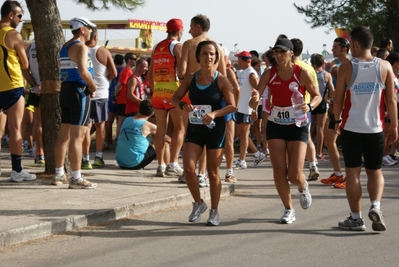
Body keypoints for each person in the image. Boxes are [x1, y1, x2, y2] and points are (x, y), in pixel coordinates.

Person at [334, 26, 397, 231]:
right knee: (375, 171)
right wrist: (394, 125)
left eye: (351, 44)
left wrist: (336, 122)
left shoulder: (346, 67)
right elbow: (391, 100)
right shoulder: (385, 66)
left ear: (356, 44)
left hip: (351, 128)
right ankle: (376, 206)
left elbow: (338, 100)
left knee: (352, 174)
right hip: (376, 129)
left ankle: (356, 218)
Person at [171, 40, 236, 226]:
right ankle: (199, 203)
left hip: (215, 129)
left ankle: (214, 211)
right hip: (196, 127)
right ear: (198, 57)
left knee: (213, 172)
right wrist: (184, 105)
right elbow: (175, 98)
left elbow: (232, 106)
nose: (208, 57)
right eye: (205, 54)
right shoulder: (191, 78)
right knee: (189, 168)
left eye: (212, 54)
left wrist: (215, 113)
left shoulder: (221, 79)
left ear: (216, 58)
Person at [257, 38, 321, 224]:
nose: (278, 55)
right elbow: (256, 96)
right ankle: (288, 209)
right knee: (278, 171)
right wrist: (254, 99)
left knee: (294, 174)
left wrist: (309, 105)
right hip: (276, 124)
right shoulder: (269, 74)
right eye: (275, 52)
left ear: (291, 53)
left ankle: (302, 186)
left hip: (298, 125)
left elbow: (317, 96)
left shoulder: (302, 73)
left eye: (282, 52)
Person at [177, 14, 226, 186]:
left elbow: (181, 71)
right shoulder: (216, 47)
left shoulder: (189, 44)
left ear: (198, 27)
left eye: (190, 27)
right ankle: (202, 174)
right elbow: (224, 75)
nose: (189, 31)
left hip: (194, 92)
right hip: (213, 94)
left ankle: (188, 171)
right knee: (208, 133)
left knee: (191, 130)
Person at [52, 17, 97, 188]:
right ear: (83, 29)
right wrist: (93, 87)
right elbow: (83, 72)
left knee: (64, 135)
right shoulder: (80, 46)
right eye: (90, 28)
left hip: (66, 90)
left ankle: (58, 174)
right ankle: (76, 178)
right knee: (78, 137)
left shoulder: (65, 46)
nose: (92, 31)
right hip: (79, 91)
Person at [0, 1, 36, 182]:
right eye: (20, 15)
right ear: (10, 15)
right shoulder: (13, 34)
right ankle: (17, 170)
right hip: (13, 87)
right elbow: (25, 63)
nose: (21, 20)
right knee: (15, 129)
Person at [82, 27, 117, 169]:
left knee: (86, 127)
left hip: (85, 92)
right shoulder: (102, 51)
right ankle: (99, 156)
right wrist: (105, 80)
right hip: (101, 92)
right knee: (100, 125)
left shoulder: (79, 50)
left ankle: (85, 159)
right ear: (95, 37)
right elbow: (114, 73)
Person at [320, 37, 351, 188]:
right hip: (339, 110)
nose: (332, 50)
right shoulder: (338, 66)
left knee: (348, 144)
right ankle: (338, 174)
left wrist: (331, 95)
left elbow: (345, 90)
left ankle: (348, 179)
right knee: (329, 141)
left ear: (344, 49)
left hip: (348, 110)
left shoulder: (350, 65)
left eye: (335, 47)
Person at [290, 38, 320, 182]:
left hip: (292, 108)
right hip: (307, 107)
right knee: (306, 138)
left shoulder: (291, 67)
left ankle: (296, 171)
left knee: (294, 141)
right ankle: (313, 165)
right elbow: (316, 90)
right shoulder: (310, 68)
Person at [234, 51, 266, 169]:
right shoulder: (243, 72)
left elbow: (257, 93)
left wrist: (254, 109)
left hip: (247, 108)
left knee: (244, 134)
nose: (238, 62)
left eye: (239, 60)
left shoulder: (251, 73)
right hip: (241, 106)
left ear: (243, 61)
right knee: (242, 134)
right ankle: (258, 154)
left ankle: (242, 160)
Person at [116, 99, 166, 169]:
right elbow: (167, 139)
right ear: (152, 113)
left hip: (120, 162)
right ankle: (165, 166)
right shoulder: (149, 125)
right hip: (135, 164)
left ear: (138, 109)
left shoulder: (127, 119)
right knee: (162, 143)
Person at [24, 41, 45, 165]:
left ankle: (40, 152)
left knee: (38, 121)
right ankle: (42, 151)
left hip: (36, 87)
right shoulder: (55, 42)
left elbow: (24, 67)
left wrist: (34, 84)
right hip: (51, 87)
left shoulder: (31, 46)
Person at [310, 53, 333, 161]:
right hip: (322, 102)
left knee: (310, 128)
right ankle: (319, 152)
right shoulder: (326, 75)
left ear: (313, 63)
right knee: (320, 128)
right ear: (323, 63)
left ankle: (307, 152)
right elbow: (332, 91)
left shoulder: (310, 73)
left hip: (311, 102)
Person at [114, 52, 136, 138]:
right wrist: (116, 96)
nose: (135, 61)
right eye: (134, 59)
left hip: (126, 100)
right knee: (121, 122)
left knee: (124, 122)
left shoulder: (129, 70)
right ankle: (119, 141)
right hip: (123, 100)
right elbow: (119, 85)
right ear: (129, 60)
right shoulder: (127, 71)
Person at [104, 54, 124, 147]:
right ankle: (118, 141)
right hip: (120, 98)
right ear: (122, 61)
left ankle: (108, 141)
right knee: (119, 121)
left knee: (109, 121)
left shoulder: (110, 70)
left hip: (111, 96)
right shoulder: (124, 70)